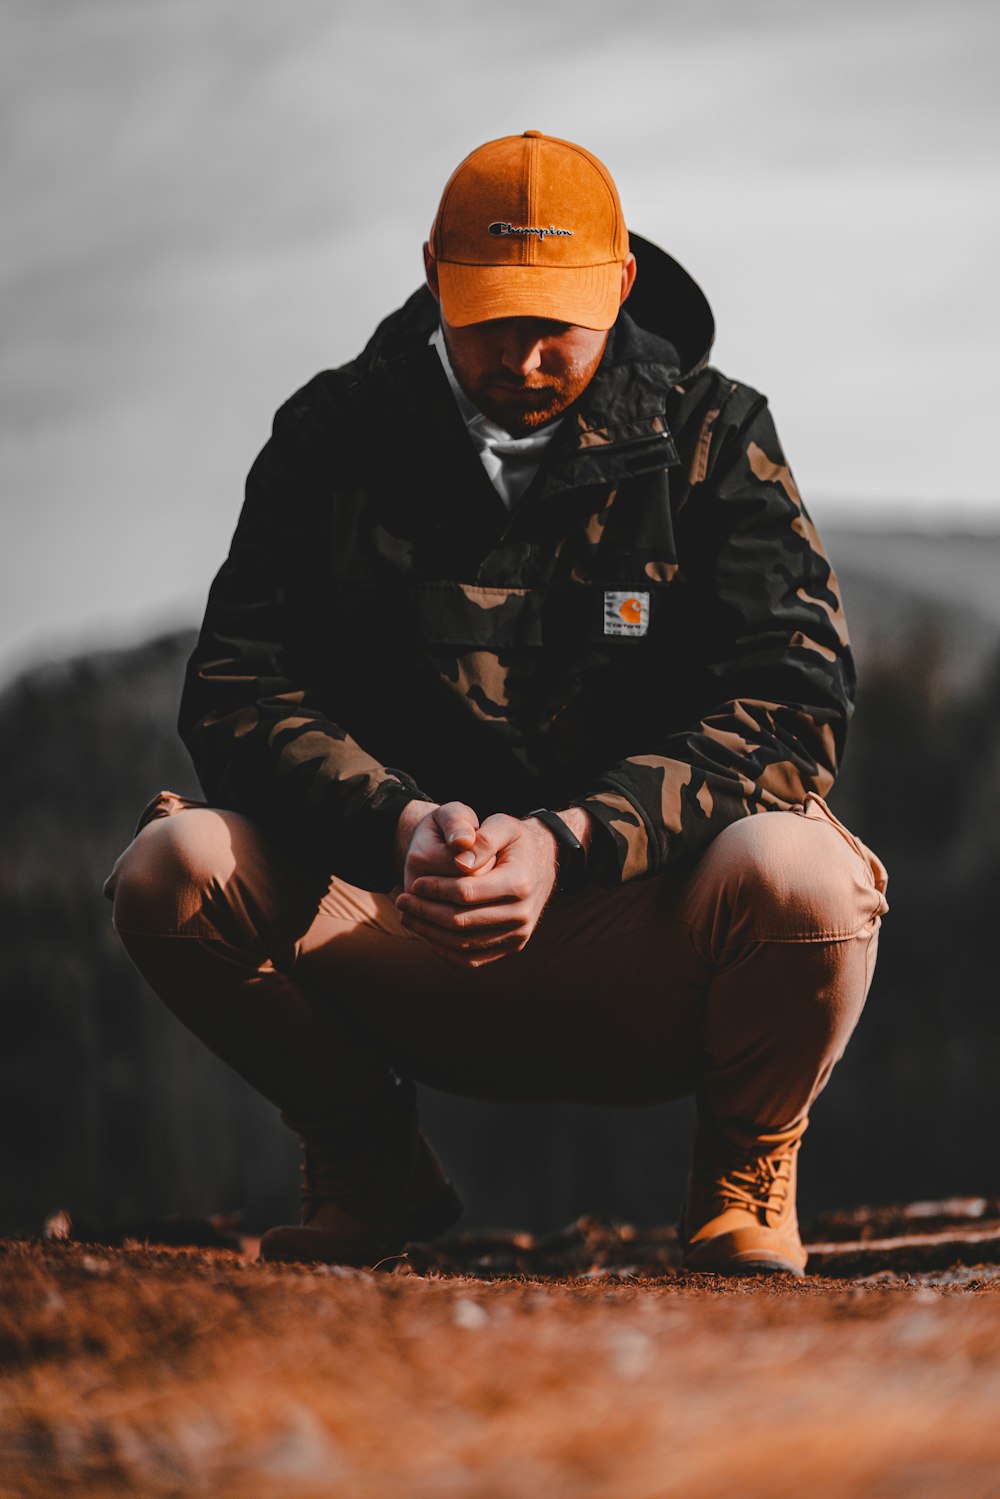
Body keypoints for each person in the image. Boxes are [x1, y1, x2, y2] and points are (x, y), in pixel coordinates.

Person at [106, 130, 888, 1277]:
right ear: (433, 275)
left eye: (556, 322)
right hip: (396, 911)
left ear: (620, 285)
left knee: (808, 879)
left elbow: (792, 699)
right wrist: (402, 826)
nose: (523, 357)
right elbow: (236, 686)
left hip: (647, 920)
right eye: (491, 316)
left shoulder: (712, 436)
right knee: (171, 872)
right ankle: (366, 1162)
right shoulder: (332, 437)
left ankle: (742, 1172)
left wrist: (575, 840)